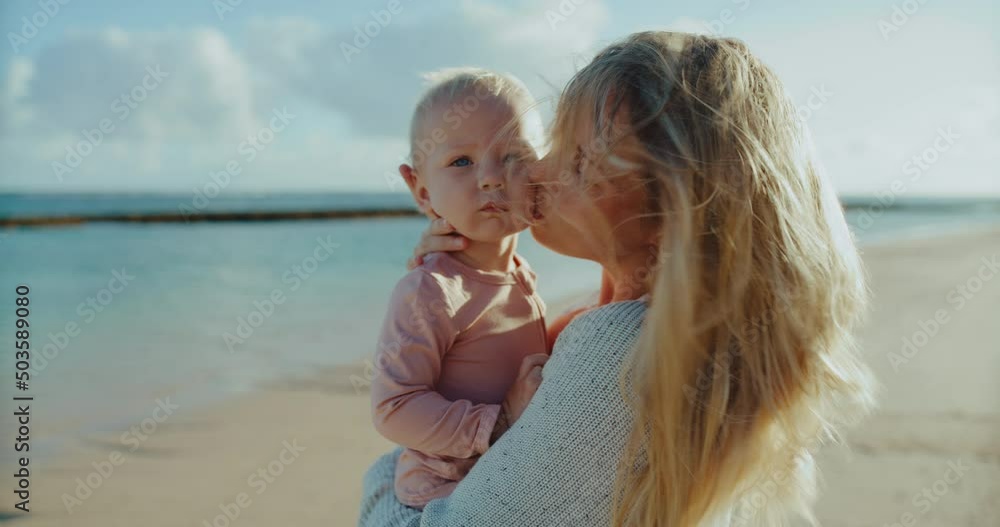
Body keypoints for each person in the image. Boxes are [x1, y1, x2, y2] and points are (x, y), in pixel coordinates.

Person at [360, 31, 875, 526]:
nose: (535, 172)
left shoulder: (613, 356)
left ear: (674, 217)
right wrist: (458, 284)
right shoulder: (684, 336)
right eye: (556, 144)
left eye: (580, 160)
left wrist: (387, 473)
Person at [370, 68, 550, 510]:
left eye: (514, 156)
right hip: (442, 497)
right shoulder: (429, 291)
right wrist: (500, 419)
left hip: (504, 479)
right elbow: (394, 406)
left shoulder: (521, 273)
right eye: (462, 162)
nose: (491, 177)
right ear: (422, 190)